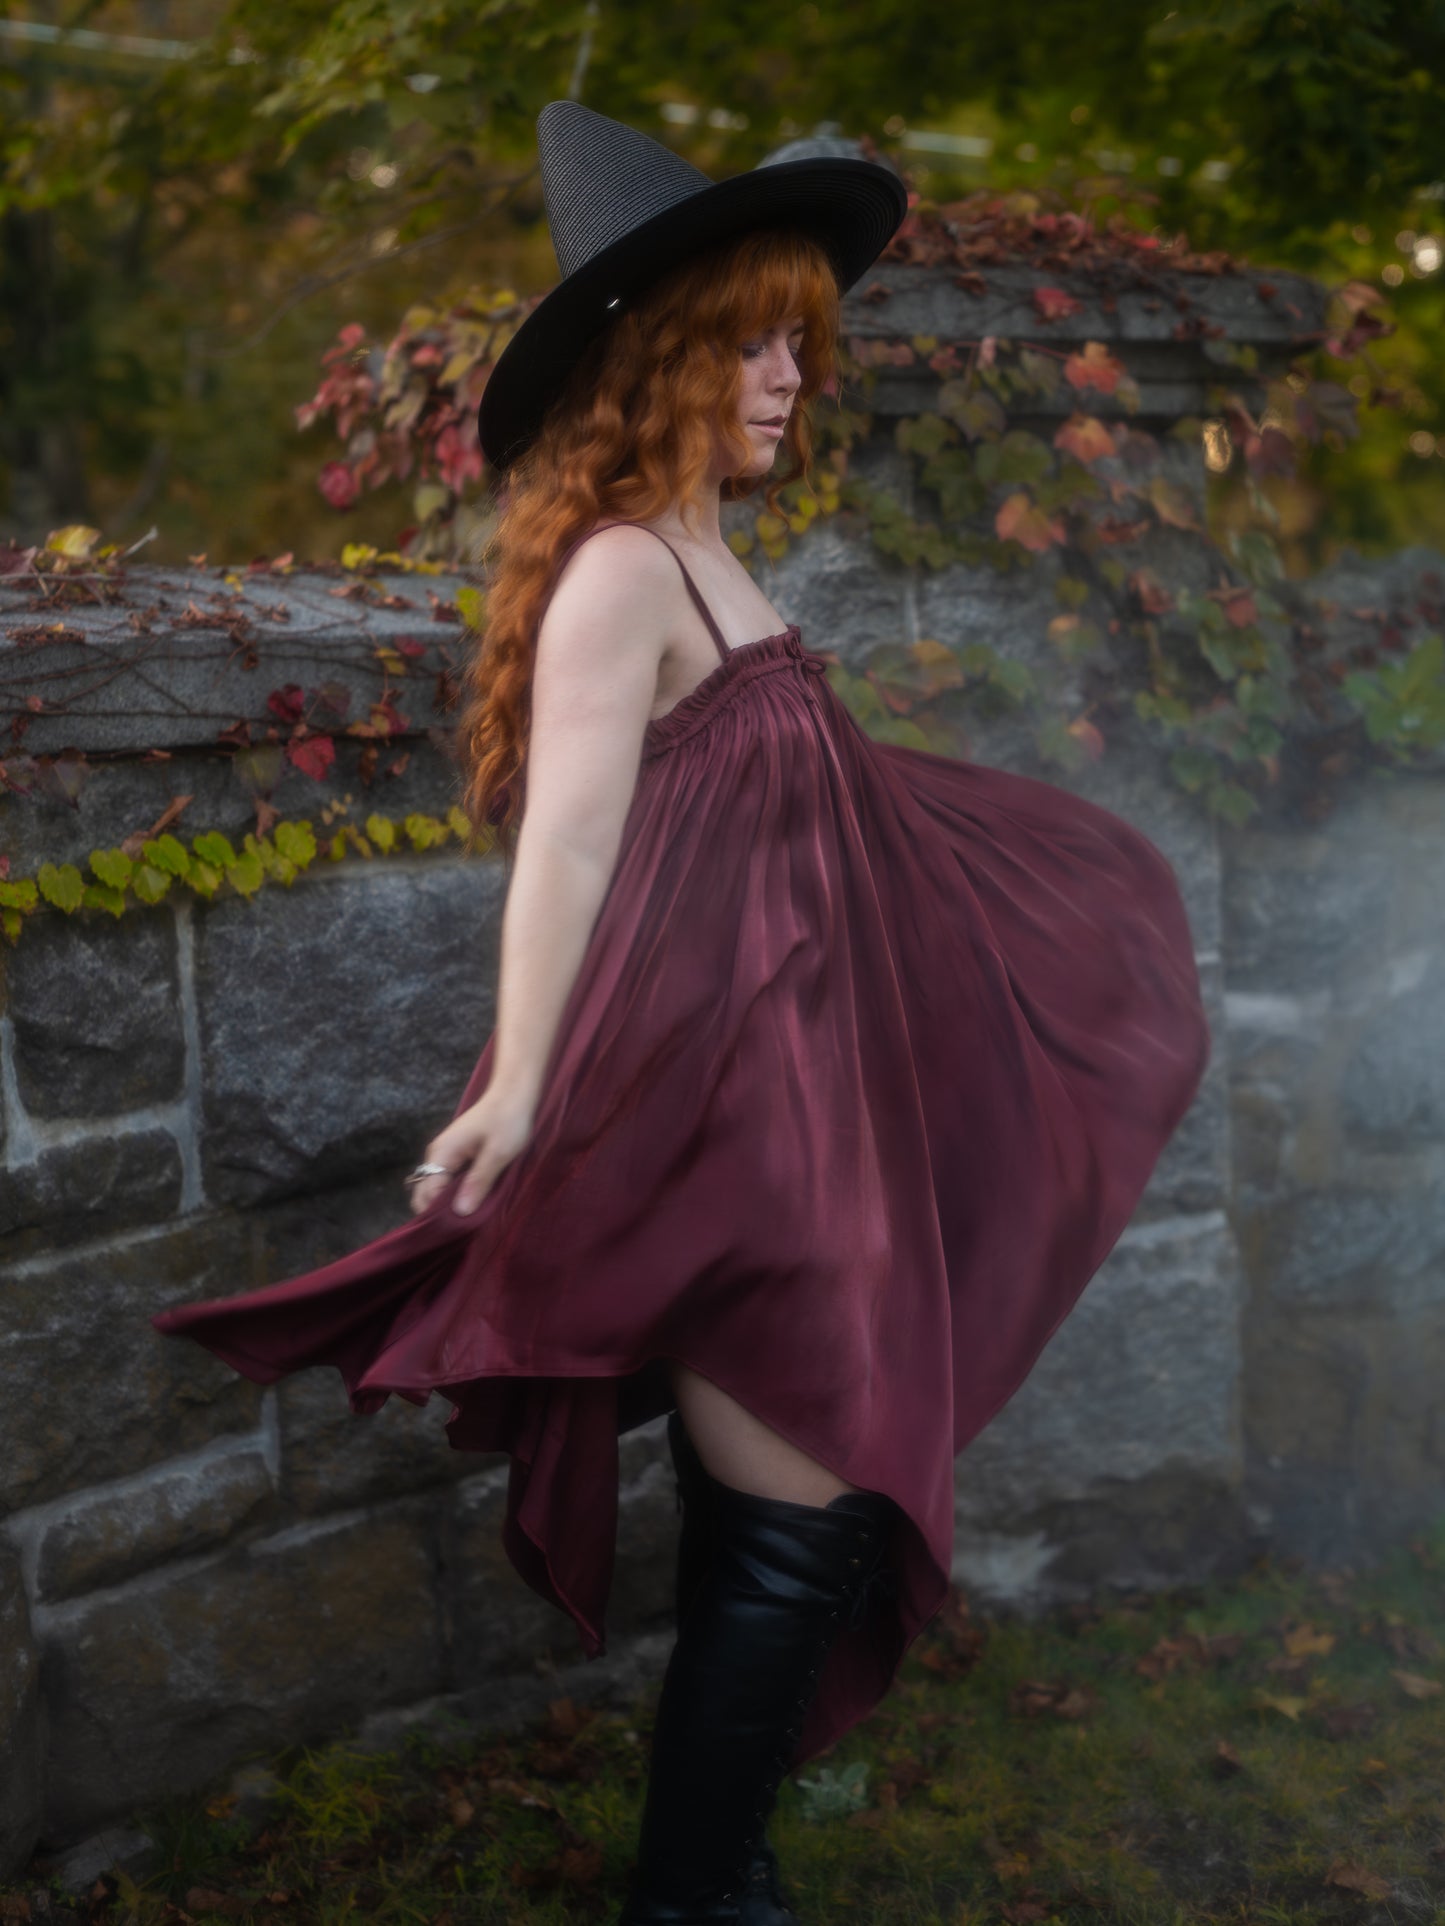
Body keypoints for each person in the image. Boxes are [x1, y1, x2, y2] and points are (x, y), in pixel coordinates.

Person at [154, 101, 1212, 1926]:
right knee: (806, 1519)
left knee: (792, 1520)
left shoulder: (716, 558)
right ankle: (696, 1895)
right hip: (716, 1125)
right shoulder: (626, 572)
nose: (792, 371)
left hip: (797, 1110)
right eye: (754, 337)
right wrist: (522, 1087)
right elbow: (564, 847)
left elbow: (790, 828)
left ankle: (713, 1875)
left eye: (803, 333)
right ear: (661, 353)